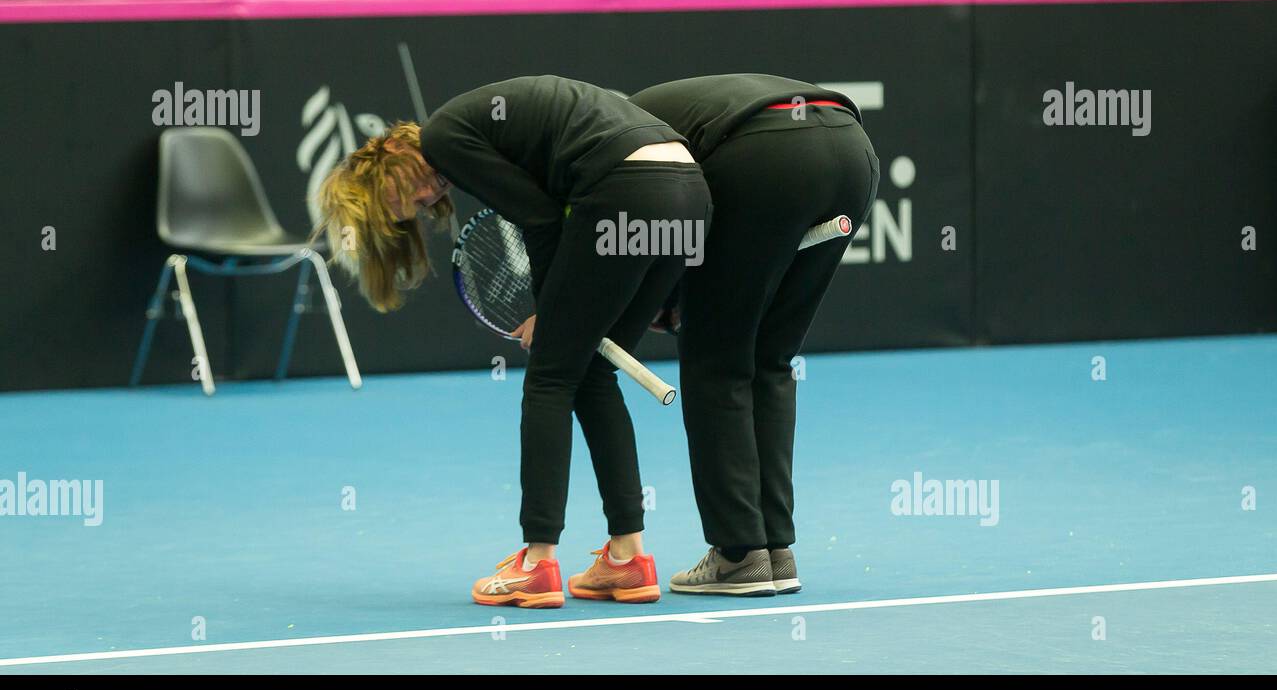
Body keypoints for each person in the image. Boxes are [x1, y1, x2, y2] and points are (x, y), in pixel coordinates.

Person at [315, 75, 711, 607]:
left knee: (550, 376)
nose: (422, 199)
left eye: (395, 195)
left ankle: (538, 562)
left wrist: (547, 310)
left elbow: (544, 220)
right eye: (407, 210)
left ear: (388, 151)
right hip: (688, 192)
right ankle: (628, 559)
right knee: (592, 372)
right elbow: (550, 211)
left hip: (626, 188)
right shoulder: (466, 136)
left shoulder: (443, 140)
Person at [629, 74, 880, 596]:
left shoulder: (607, 152)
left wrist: (647, 303)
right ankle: (775, 548)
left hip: (768, 157)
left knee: (715, 361)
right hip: (851, 151)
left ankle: (739, 553)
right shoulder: (620, 121)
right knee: (770, 356)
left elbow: (655, 228)